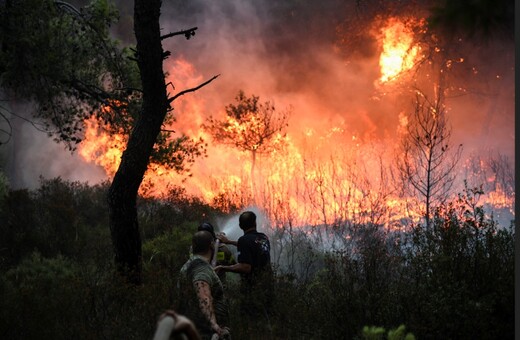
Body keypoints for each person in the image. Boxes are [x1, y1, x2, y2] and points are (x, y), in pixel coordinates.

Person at [215, 211, 274, 321]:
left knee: (250, 319)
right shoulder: (263, 238)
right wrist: (229, 242)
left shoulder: (244, 240)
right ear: (255, 223)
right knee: (267, 317)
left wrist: (223, 268)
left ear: (241, 226)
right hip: (268, 286)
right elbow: (250, 244)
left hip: (252, 289)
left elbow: (246, 267)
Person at [177, 231, 230, 340]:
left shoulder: (188, 264)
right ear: (211, 245)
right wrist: (213, 324)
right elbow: (203, 292)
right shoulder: (201, 267)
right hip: (206, 332)